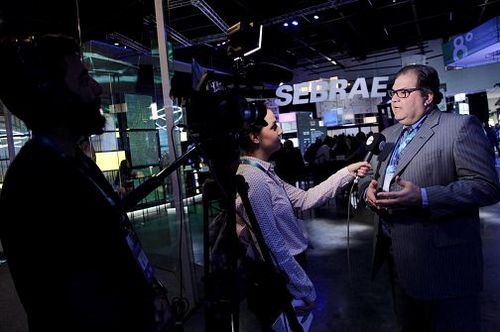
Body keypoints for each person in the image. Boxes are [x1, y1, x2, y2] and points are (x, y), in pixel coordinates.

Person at [0, 35, 169, 331]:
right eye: (82, 79)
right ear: (52, 96)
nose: (97, 88)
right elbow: (72, 302)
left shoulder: (74, 161)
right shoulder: (32, 185)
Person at [359, 64, 500, 332]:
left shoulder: (460, 127)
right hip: (397, 257)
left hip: (444, 263)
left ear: (427, 96)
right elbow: (368, 175)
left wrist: (423, 197)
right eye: (393, 93)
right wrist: (368, 189)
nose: (394, 99)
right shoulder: (387, 135)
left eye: (403, 92)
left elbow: (486, 186)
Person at [235, 103, 370, 329]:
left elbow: (305, 199)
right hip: (278, 278)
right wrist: (303, 286)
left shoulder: (262, 172)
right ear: (254, 137)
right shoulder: (254, 179)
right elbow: (271, 243)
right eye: (274, 126)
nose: (280, 131)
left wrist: (347, 172)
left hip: (285, 272)